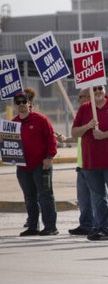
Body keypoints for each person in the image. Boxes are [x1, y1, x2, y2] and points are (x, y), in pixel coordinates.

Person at [72, 85, 108, 241]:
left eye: (100, 88)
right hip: (91, 162)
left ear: (105, 89)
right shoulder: (85, 109)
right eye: (94, 89)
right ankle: (104, 230)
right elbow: (74, 132)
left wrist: (104, 135)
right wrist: (87, 126)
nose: (97, 91)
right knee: (98, 198)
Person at [10, 89, 58, 236]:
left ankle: (50, 227)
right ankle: (33, 226)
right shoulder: (13, 124)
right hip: (23, 166)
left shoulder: (41, 119)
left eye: (24, 101)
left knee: (45, 195)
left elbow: (51, 139)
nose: (21, 104)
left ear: (29, 102)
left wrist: (50, 157)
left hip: (41, 164)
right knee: (29, 197)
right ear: (15, 105)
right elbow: (8, 144)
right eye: (18, 102)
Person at [63, 88, 94, 236]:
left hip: (93, 164)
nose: (79, 100)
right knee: (83, 200)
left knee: (96, 197)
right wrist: (66, 139)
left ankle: (98, 224)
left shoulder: (94, 114)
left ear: (89, 97)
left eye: (81, 97)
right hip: (81, 165)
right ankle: (85, 225)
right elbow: (79, 136)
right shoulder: (82, 114)